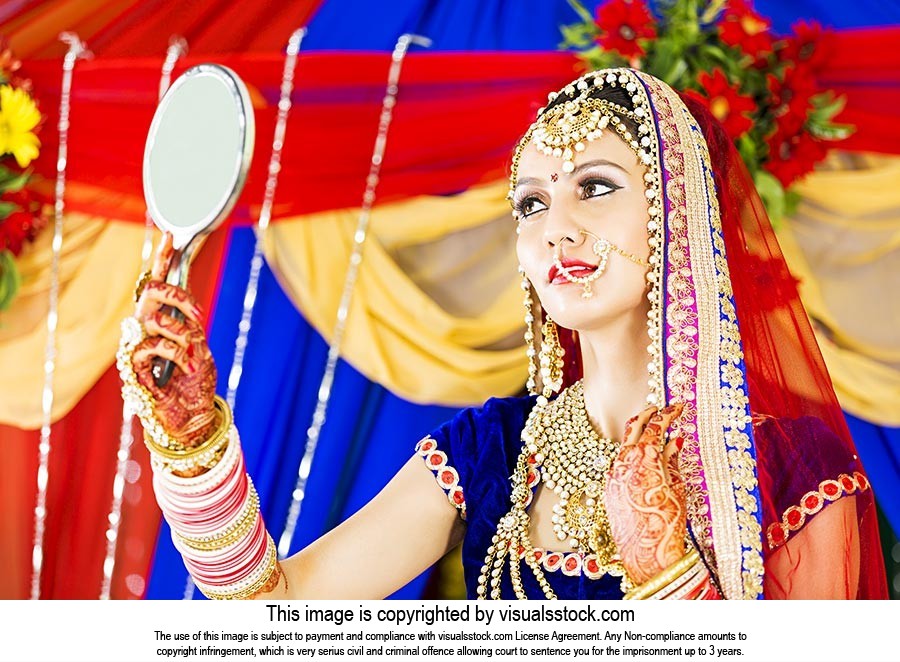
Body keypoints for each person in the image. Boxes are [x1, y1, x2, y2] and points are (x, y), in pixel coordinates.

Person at [118, 67, 887, 600]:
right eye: (531, 204)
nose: (558, 230)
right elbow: (273, 610)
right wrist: (193, 447)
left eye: (595, 187)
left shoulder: (793, 469)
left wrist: (664, 566)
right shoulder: (490, 449)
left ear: (675, 213)